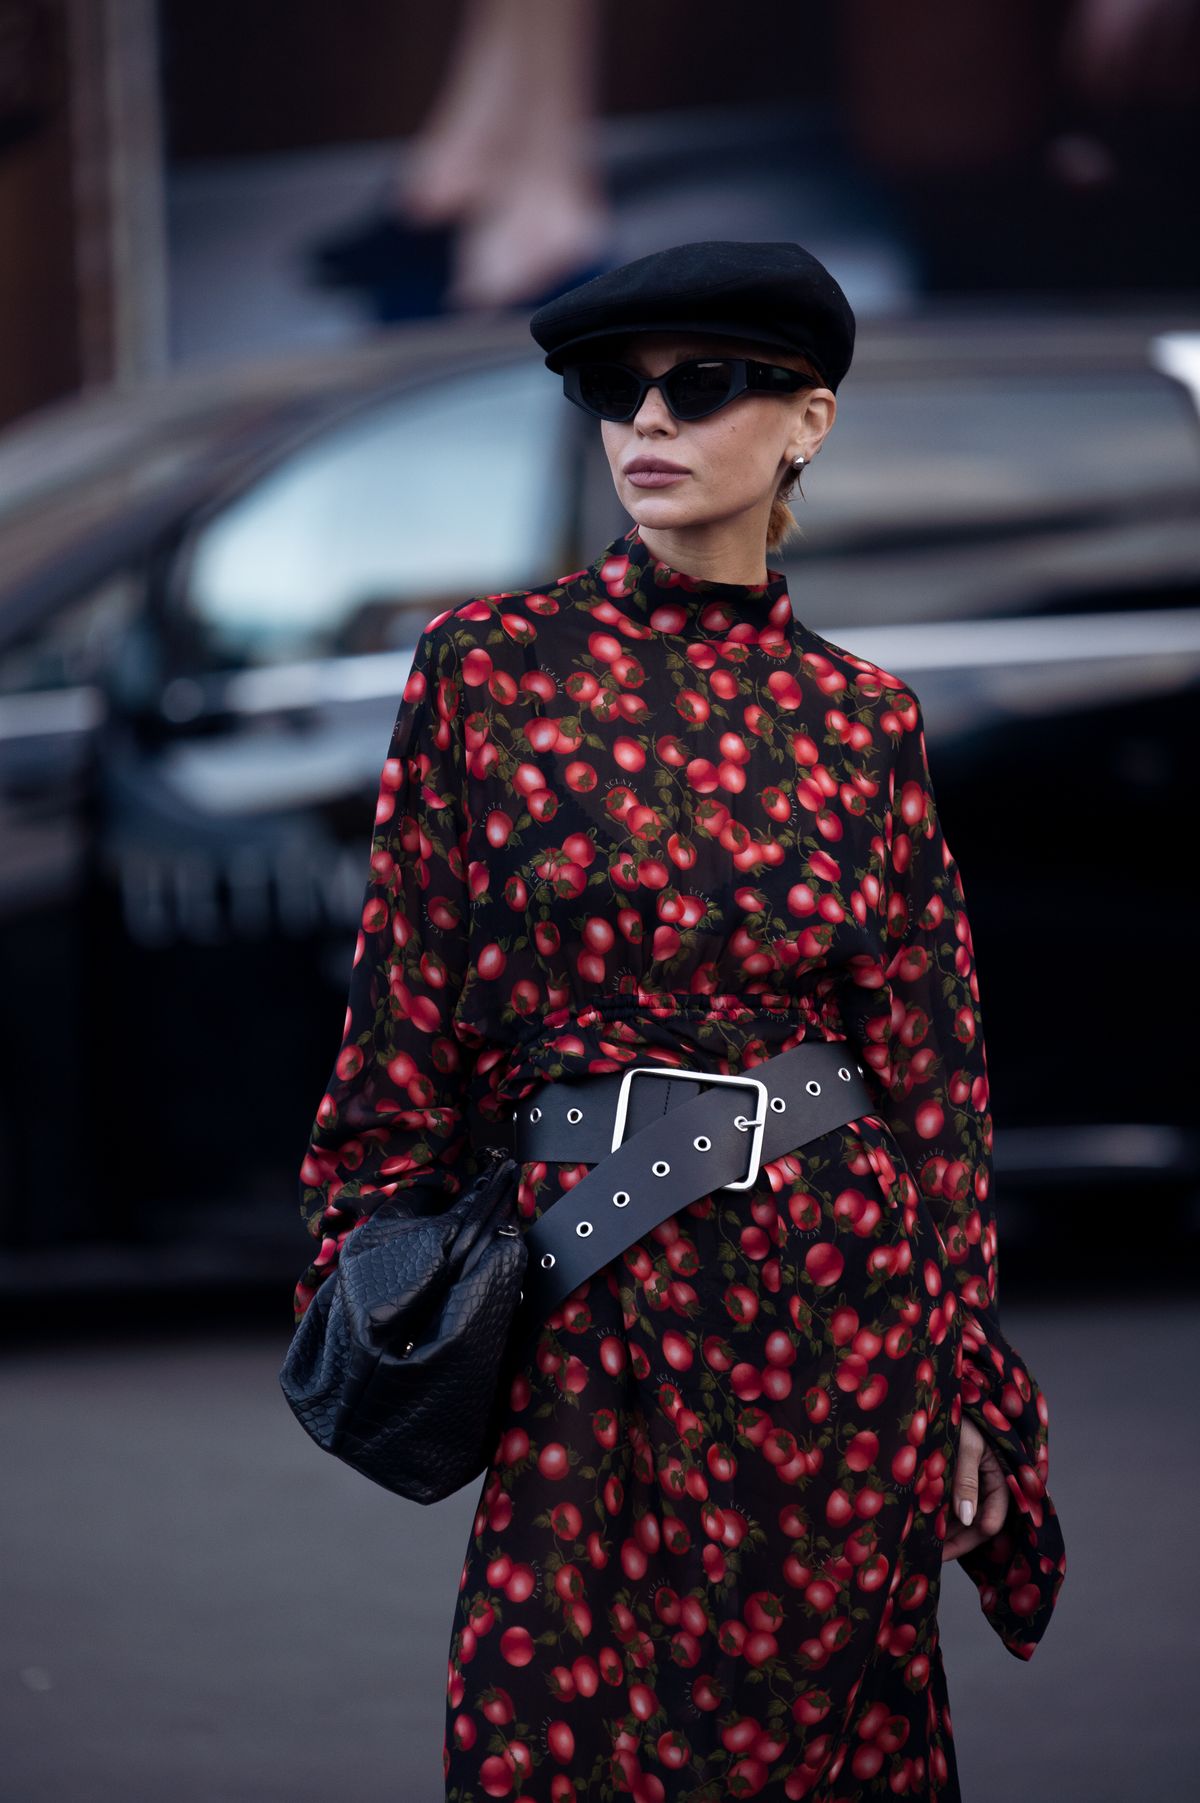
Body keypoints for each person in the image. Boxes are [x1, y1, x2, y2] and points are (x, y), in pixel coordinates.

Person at [291, 240, 1067, 1800]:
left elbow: (934, 1079)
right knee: (548, 1747)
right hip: (586, 1298)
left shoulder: (864, 721)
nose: (647, 420)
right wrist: (372, 1284)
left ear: (807, 425)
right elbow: (401, 1022)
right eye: (611, 389)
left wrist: (969, 1380)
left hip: (838, 1310)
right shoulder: (486, 674)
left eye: (699, 384)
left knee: (823, 1751)